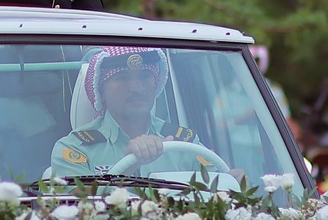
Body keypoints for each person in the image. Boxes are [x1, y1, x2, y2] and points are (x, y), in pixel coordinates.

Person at [49, 47, 210, 178]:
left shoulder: (184, 142)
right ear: (101, 91)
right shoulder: (74, 148)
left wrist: (234, 179)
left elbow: (218, 189)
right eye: (122, 77)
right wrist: (129, 165)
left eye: (145, 76)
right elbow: (82, 209)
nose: (137, 88)